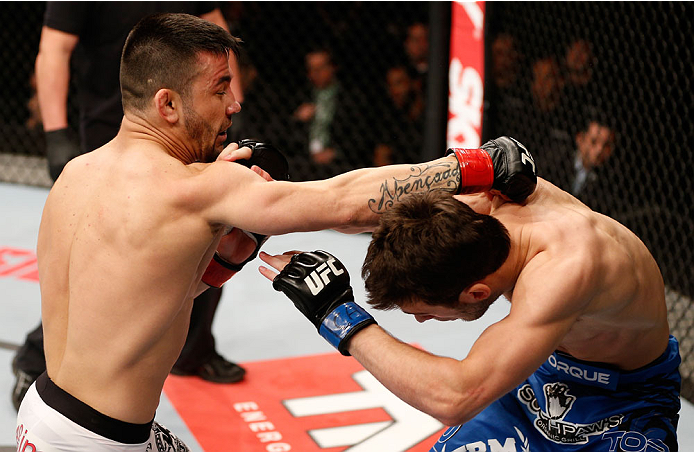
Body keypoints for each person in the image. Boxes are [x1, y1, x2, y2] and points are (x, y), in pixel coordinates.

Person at [16, 13, 537, 450]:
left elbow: (128, 304)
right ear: (167, 104)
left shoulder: (79, 173)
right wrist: (476, 166)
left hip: (45, 412)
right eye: (220, 89)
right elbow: (345, 204)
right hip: (99, 439)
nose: (235, 104)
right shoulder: (197, 188)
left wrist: (220, 263)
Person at [260, 141, 680, 451]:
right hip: (533, 377)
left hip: (624, 403)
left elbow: (456, 396)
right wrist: (261, 210)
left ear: (475, 292)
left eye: (425, 313)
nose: (421, 323)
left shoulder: (567, 265)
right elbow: (353, 206)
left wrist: (337, 315)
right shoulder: (479, 199)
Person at [12, 1, 245, 413]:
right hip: (122, 129)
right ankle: (36, 358)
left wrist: (223, 103)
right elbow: (54, 50)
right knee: (103, 270)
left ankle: (194, 349)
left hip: (188, 121)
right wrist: (56, 131)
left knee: (208, 233)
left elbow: (218, 34)